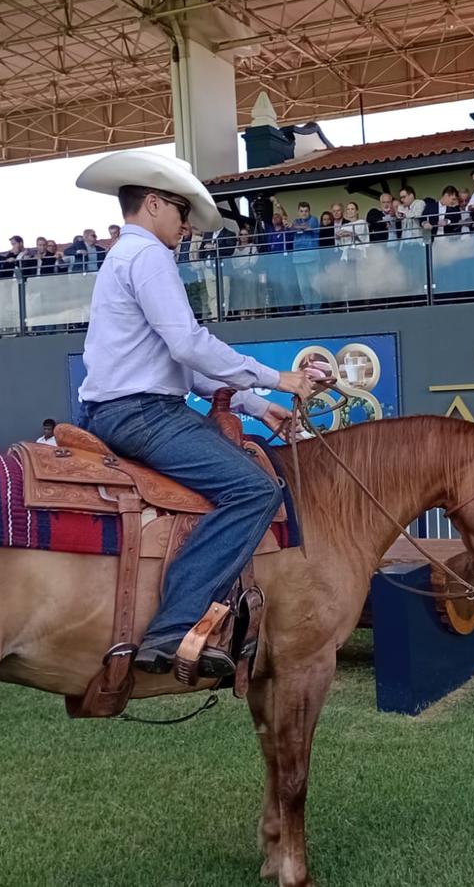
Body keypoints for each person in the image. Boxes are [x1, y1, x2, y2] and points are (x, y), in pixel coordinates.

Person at [74, 149, 326, 676]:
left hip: (123, 410)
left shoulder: (123, 258)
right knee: (254, 490)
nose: (186, 226)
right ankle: (173, 627)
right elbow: (189, 345)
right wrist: (280, 378)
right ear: (152, 204)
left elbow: (183, 364)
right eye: (180, 212)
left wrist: (260, 408)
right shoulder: (147, 257)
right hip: (143, 414)